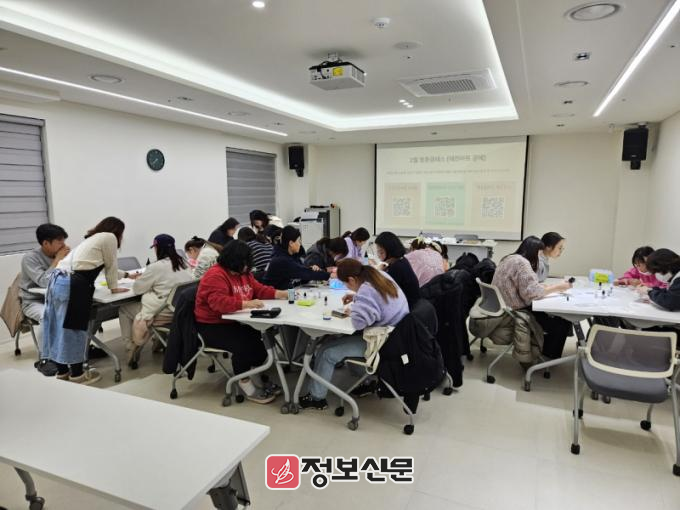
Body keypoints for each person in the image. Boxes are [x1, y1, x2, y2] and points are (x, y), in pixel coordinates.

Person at [299, 258, 409, 410]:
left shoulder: (366, 290)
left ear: (351, 279)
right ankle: (365, 381)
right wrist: (356, 298)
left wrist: (354, 308)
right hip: (398, 334)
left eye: (345, 284)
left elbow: (359, 323)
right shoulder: (378, 275)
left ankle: (316, 398)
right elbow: (377, 302)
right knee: (340, 339)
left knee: (326, 351)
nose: (347, 287)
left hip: (383, 342)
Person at [194, 240, 288, 403]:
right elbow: (218, 303)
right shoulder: (215, 275)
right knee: (244, 346)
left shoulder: (244, 274)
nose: (247, 267)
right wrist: (246, 304)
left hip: (234, 321)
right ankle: (245, 383)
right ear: (234, 261)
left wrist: (282, 294)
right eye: (244, 263)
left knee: (261, 343)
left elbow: (258, 289)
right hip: (211, 325)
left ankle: (254, 376)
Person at [42, 217, 133, 384]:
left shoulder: (91, 239)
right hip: (73, 284)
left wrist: (127, 275)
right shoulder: (109, 237)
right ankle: (77, 375)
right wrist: (114, 287)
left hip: (57, 280)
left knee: (58, 328)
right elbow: (111, 265)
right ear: (117, 230)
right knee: (74, 329)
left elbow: (102, 266)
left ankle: (62, 372)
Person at [492, 236, 573, 360]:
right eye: (539, 253)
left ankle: (544, 350)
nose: (540, 257)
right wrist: (557, 287)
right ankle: (548, 357)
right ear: (534, 251)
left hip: (504, 306)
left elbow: (524, 285)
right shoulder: (522, 263)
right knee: (562, 322)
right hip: (516, 310)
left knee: (556, 318)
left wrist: (544, 287)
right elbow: (532, 293)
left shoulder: (509, 258)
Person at [118, 234, 193, 366]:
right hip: (182, 311)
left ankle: (131, 346)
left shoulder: (156, 267)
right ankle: (159, 342)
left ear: (158, 249)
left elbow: (137, 289)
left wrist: (145, 282)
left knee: (123, 309)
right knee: (159, 297)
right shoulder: (184, 262)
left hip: (164, 313)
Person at [19, 224, 70, 323]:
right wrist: (58, 260)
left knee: (86, 311)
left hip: (59, 299)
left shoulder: (63, 255)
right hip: (35, 302)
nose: (64, 246)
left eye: (64, 241)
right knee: (51, 319)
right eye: (60, 242)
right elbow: (44, 282)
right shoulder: (30, 258)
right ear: (46, 243)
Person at [263, 226, 330, 290]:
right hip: (274, 297)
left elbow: (301, 276)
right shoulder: (281, 260)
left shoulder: (294, 256)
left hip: (287, 293)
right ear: (291, 243)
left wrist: (312, 269)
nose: (300, 244)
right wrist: (329, 275)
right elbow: (303, 273)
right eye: (299, 241)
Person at [374, 231, 420, 308]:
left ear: (390, 251)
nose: (378, 255)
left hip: (406, 308)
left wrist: (379, 272)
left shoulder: (397, 268)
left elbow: (381, 291)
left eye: (380, 252)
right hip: (409, 304)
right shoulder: (401, 260)